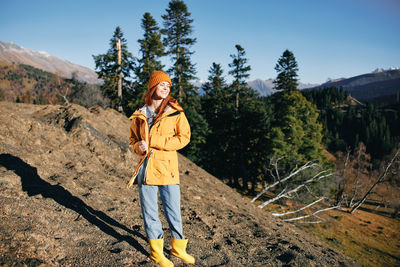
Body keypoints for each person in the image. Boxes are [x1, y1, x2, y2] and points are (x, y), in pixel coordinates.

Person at [127, 70, 195, 267]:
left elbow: (184, 138)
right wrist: (137, 147)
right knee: (150, 213)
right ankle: (157, 253)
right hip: (146, 169)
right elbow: (133, 139)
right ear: (152, 87)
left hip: (168, 169)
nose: (166, 88)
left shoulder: (175, 111)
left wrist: (153, 140)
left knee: (173, 210)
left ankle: (178, 248)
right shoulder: (140, 113)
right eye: (162, 85)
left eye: (168, 86)